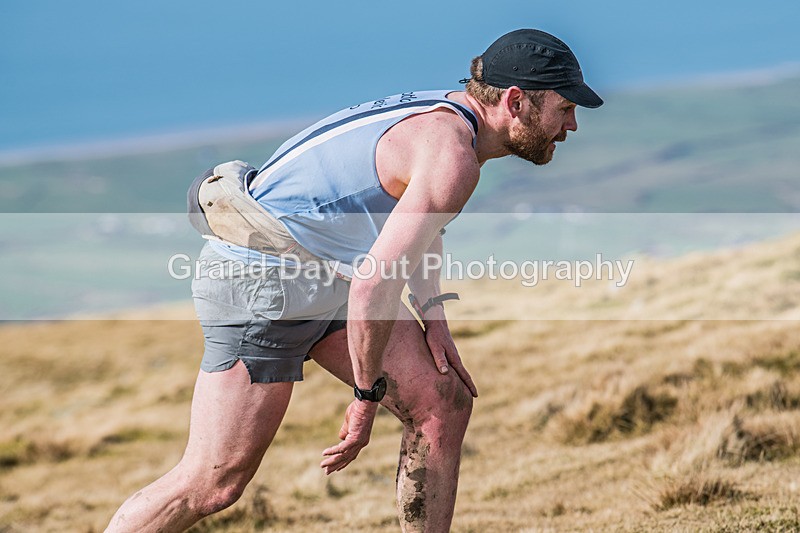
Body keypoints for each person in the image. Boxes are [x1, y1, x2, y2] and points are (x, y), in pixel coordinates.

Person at [106, 28, 602, 532]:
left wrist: (434, 317)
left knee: (442, 401)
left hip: (321, 270)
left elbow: (416, 225)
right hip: (260, 280)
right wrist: (366, 399)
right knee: (212, 483)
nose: (572, 124)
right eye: (564, 108)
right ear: (515, 101)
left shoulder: (453, 120)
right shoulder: (451, 154)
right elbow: (373, 286)